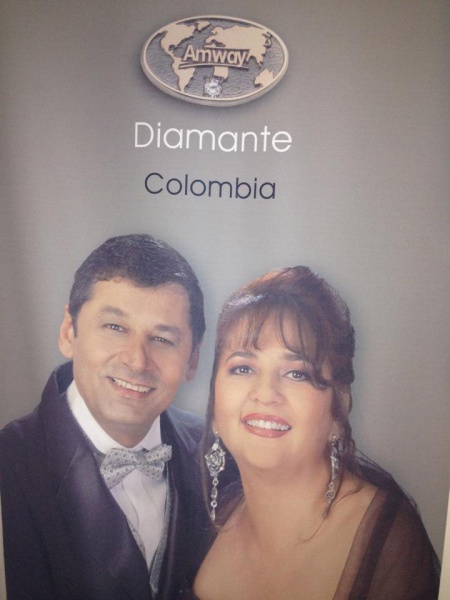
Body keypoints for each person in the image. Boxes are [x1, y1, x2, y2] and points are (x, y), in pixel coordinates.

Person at [182, 266, 441, 599]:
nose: (265, 393)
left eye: (296, 373)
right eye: (243, 368)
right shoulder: (210, 518)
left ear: (338, 408)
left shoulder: (387, 541)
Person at [0, 233, 210, 600]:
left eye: (162, 339)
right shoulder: (9, 462)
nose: (137, 361)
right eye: (115, 327)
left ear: (193, 359)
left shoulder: (218, 454)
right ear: (69, 332)